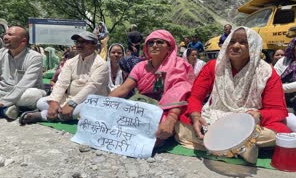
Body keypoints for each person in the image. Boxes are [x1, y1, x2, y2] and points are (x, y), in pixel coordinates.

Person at [176, 27, 291, 163]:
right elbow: (195, 97)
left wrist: (259, 115)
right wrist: (195, 116)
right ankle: (242, 148)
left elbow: (277, 110)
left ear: (253, 46)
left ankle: (217, 145)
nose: (235, 46)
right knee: (180, 126)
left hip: (248, 123)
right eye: (232, 41)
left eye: (243, 42)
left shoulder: (267, 72)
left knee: (279, 133)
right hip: (215, 117)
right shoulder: (213, 66)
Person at [109, 30, 194, 141]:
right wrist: (103, 104)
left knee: (156, 133)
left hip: (171, 110)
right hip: (145, 106)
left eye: (159, 42)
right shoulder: (141, 66)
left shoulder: (179, 66)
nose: (154, 45)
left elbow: (180, 94)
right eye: (151, 43)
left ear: (169, 47)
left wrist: (170, 120)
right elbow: (124, 89)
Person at [19, 31, 109, 124]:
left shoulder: (101, 64)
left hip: (90, 101)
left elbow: (92, 87)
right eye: (77, 42)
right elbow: (62, 83)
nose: (79, 44)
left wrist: (72, 104)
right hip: (69, 98)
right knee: (41, 102)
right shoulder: (71, 62)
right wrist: (54, 102)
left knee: (83, 110)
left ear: (94, 45)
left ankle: (43, 116)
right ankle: (59, 113)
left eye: (84, 42)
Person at [0, 26, 46, 120]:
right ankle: (6, 111)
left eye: (10, 34)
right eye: (5, 34)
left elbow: (24, 85)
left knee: (32, 94)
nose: (5, 37)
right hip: (0, 92)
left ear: (23, 41)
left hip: (23, 94)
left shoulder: (35, 57)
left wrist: (1, 102)